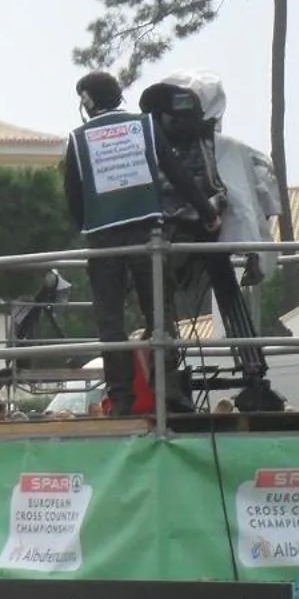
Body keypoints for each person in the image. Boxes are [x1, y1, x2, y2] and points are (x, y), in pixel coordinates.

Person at [63, 69, 219, 417]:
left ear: (87, 101)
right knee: (160, 313)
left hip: (103, 240)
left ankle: (121, 399)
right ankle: (170, 391)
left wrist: (86, 228)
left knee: (110, 321)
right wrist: (207, 211)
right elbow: (177, 173)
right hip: (149, 233)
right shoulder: (145, 127)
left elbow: (73, 196)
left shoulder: (77, 139)